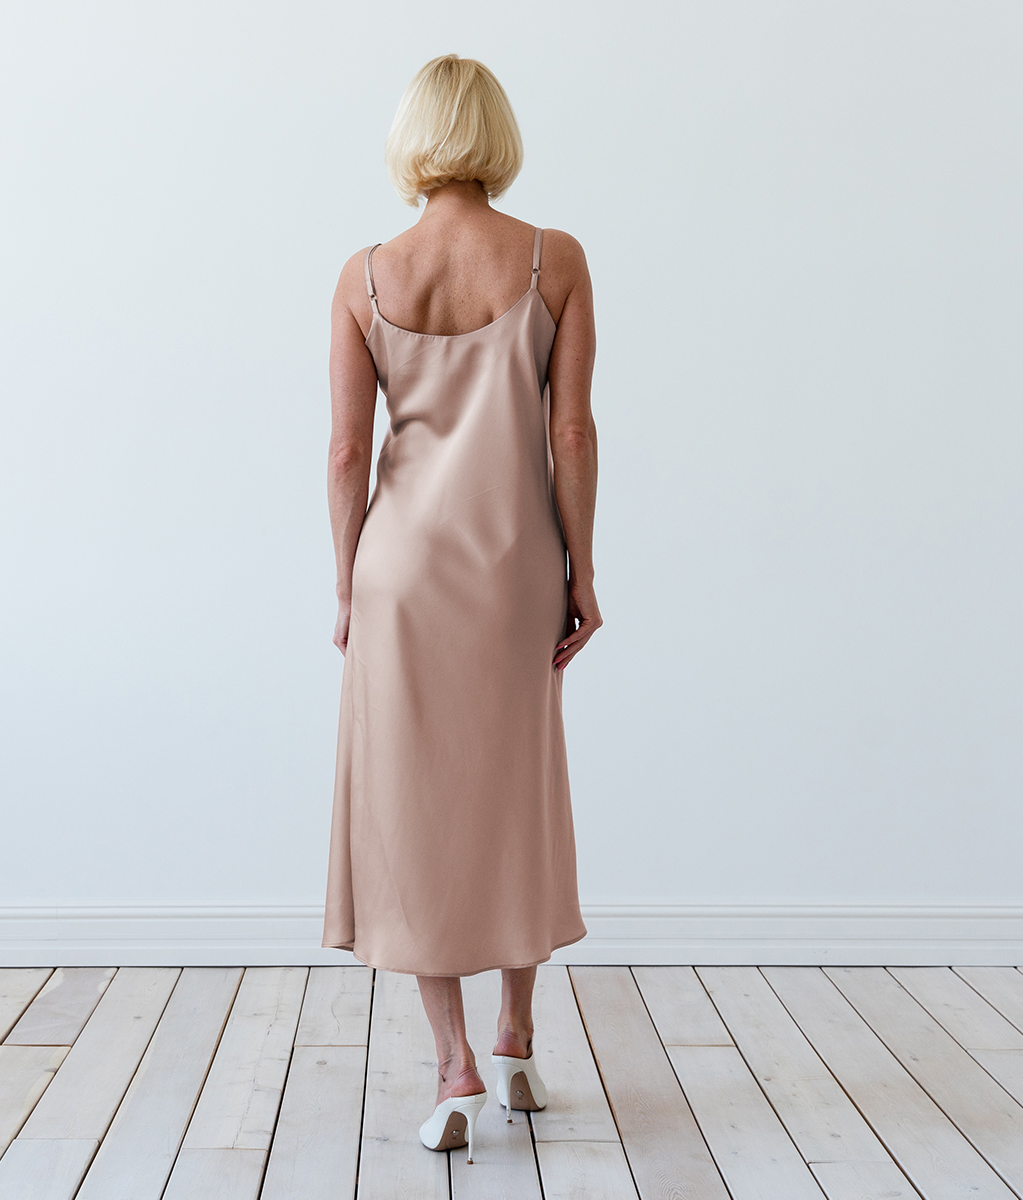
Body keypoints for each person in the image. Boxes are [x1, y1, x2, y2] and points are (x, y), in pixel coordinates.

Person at [322, 53, 601, 1163]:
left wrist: (346, 579)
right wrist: (583, 570)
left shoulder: (367, 276)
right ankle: (517, 1035)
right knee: (514, 788)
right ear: (495, 134)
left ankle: (452, 1067)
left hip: (398, 571)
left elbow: (347, 452)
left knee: (413, 806)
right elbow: (569, 432)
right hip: (513, 565)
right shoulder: (550, 259)